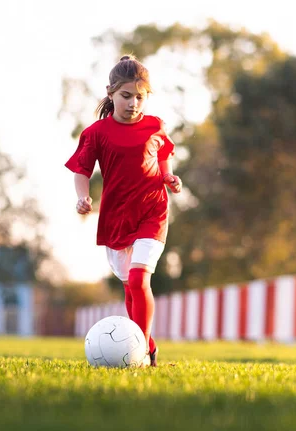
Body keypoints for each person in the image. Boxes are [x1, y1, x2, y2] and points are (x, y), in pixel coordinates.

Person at [65, 54, 182, 367]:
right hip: (117, 216)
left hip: (152, 211)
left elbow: (163, 156)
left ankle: (140, 352)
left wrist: (169, 176)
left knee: (140, 278)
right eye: (126, 96)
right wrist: (82, 197)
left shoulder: (155, 126)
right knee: (130, 286)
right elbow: (81, 169)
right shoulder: (96, 133)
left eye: (140, 97)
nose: (133, 104)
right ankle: (150, 345)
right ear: (111, 93)